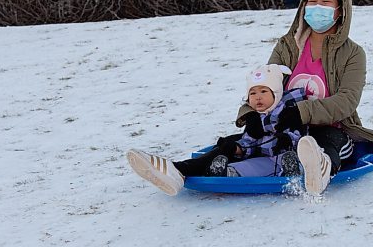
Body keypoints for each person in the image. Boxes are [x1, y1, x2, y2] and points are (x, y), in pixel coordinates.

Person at [236, 0, 373, 196]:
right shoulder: (288, 46)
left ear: (340, 9)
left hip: (333, 131)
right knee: (239, 145)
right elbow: (266, 85)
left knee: (326, 143)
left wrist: (302, 112)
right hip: (286, 127)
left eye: (325, 2)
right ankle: (193, 171)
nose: (317, 6)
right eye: (312, 0)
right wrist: (250, 114)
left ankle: (321, 167)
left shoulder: (353, 53)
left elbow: (347, 100)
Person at [126, 64, 307, 196]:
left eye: (263, 92)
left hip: (284, 154)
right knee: (241, 160)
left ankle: (289, 171)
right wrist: (235, 148)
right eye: (253, 93)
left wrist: (286, 139)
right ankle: (197, 171)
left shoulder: (288, 111)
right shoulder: (256, 118)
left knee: (281, 160)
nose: (258, 98)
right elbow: (250, 143)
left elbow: (299, 136)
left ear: (276, 92)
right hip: (261, 157)